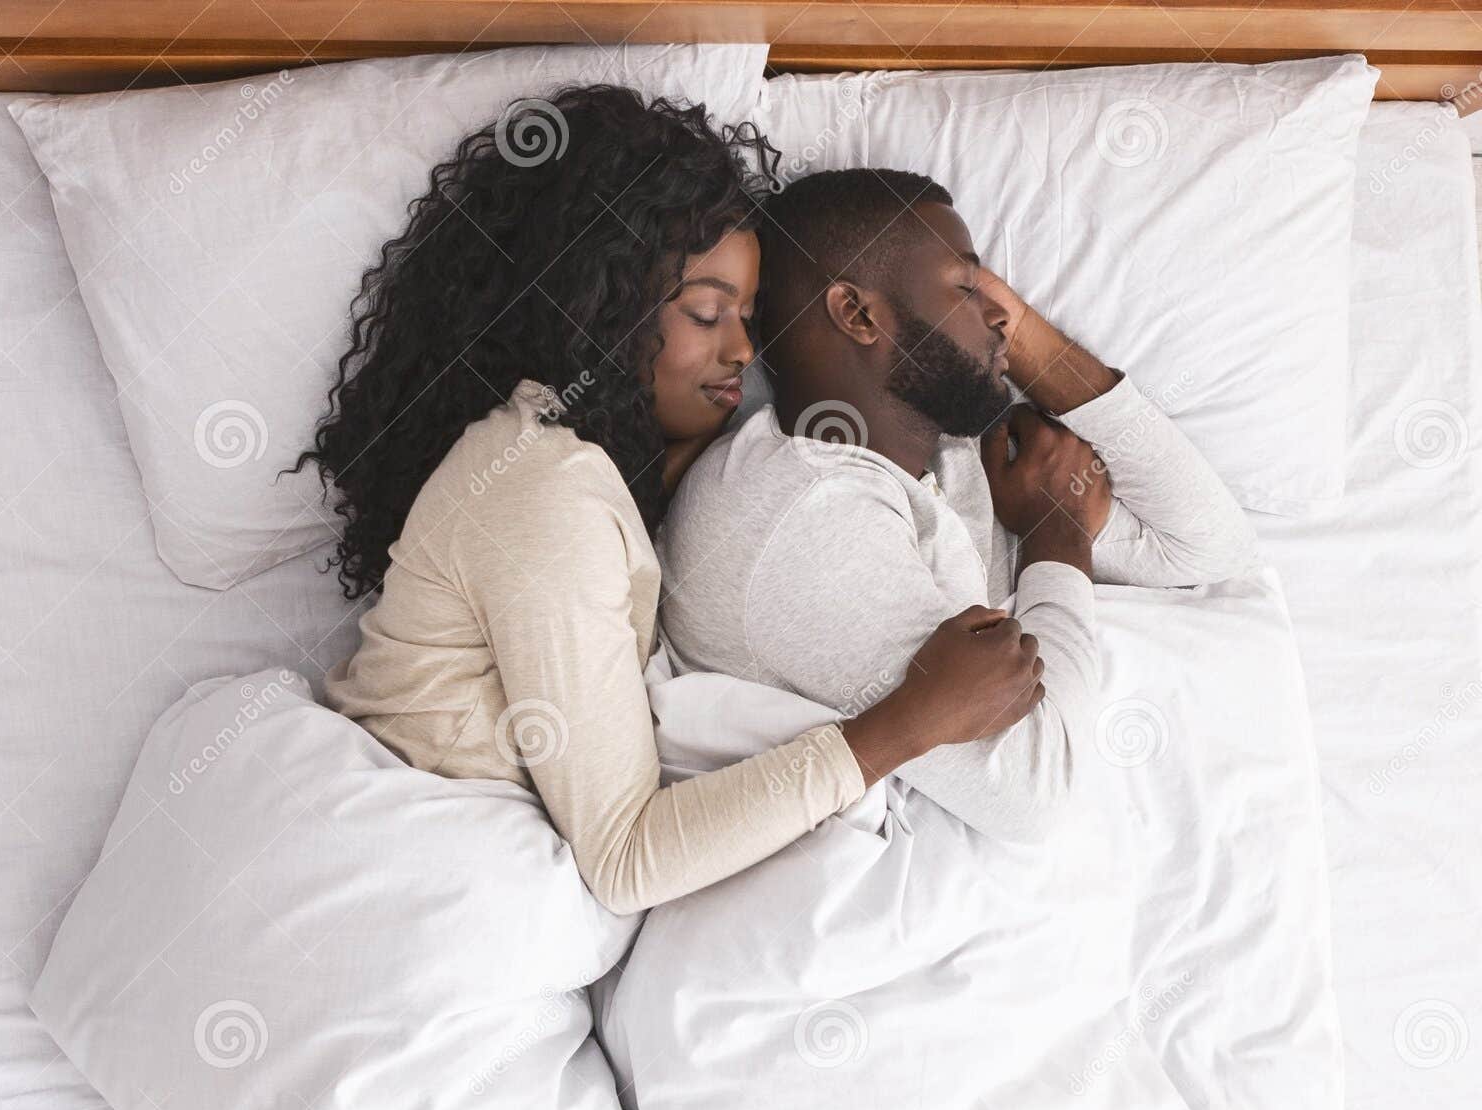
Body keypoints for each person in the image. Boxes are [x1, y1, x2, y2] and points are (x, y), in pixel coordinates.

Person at [288, 89, 1048, 915]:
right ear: (598, 306)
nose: (744, 351)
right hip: (406, 874)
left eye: (748, 317)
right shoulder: (545, 492)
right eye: (707, 312)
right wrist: (906, 723)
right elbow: (626, 855)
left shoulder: (589, 463)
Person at [658, 167, 1260, 844]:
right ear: (857, 314)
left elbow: (1205, 546)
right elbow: (1037, 798)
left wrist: (1020, 342)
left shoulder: (947, 456)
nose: (1003, 313)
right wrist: (1056, 535)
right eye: (967, 288)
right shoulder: (802, 524)